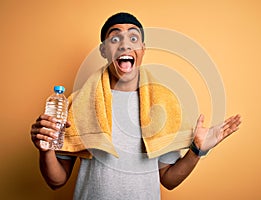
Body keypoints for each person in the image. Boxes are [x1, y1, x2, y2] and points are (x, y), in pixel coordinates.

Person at [30, 12, 241, 199]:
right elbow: (56, 182)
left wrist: (196, 151)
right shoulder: (77, 103)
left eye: (133, 38)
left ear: (142, 49)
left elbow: (168, 180)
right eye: (115, 38)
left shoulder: (163, 104)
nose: (125, 44)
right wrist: (45, 150)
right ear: (104, 50)